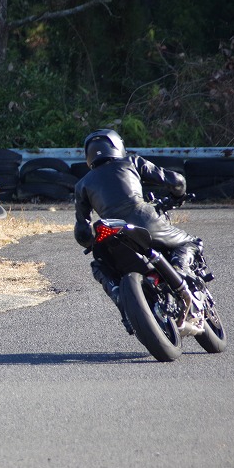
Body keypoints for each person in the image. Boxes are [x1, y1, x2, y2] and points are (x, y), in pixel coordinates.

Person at [73, 128, 203, 336]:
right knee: (190, 242)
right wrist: (178, 196)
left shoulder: (82, 184)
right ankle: (181, 270)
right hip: (145, 221)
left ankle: (122, 302)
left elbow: (82, 231)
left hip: (109, 233)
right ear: (117, 146)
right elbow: (176, 181)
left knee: (99, 266)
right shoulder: (131, 162)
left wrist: (90, 242)